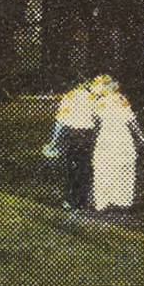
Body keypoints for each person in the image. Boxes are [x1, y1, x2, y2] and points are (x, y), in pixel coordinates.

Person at [87, 75, 144, 213]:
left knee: (104, 168)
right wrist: (141, 139)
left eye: (97, 84)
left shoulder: (100, 102)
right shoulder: (121, 100)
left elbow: (93, 119)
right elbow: (132, 121)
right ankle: (123, 201)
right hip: (123, 138)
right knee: (122, 168)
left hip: (108, 138)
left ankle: (104, 202)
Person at [47, 75, 99, 210]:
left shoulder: (68, 97)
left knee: (72, 168)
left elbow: (60, 121)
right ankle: (84, 199)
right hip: (88, 135)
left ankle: (71, 200)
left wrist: (54, 140)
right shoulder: (92, 97)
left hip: (73, 135)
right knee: (86, 167)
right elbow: (98, 118)